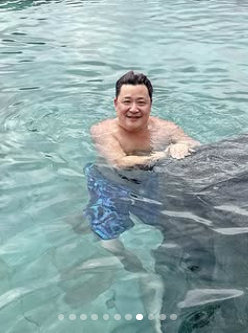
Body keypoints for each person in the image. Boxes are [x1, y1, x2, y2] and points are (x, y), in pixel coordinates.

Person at [82, 71, 199, 331]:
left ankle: (172, 279)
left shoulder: (166, 128)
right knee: (109, 243)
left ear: (150, 104)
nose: (133, 108)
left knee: (178, 227)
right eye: (127, 101)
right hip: (109, 184)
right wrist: (162, 156)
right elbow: (119, 161)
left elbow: (192, 142)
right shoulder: (102, 130)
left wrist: (183, 146)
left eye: (141, 102)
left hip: (148, 183)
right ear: (116, 103)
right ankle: (138, 271)